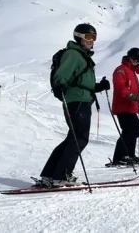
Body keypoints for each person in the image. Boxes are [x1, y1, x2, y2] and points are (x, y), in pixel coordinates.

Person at [36, 23, 110, 188]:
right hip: (76, 101)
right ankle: (61, 175)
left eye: (94, 38)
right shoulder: (73, 54)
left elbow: (81, 81)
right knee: (79, 139)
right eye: (89, 37)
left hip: (81, 99)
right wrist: (60, 84)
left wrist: (99, 86)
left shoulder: (81, 56)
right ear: (79, 36)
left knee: (73, 138)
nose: (92, 41)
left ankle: (50, 174)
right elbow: (62, 75)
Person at [110, 47, 139, 166]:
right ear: (129, 57)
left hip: (131, 105)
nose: (136, 61)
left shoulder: (132, 71)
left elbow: (132, 88)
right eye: (134, 58)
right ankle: (120, 157)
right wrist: (134, 97)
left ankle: (129, 155)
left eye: (138, 59)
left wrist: (138, 96)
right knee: (129, 131)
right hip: (123, 105)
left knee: (135, 130)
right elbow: (121, 89)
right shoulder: (121, 70)